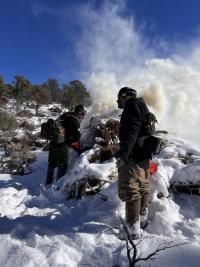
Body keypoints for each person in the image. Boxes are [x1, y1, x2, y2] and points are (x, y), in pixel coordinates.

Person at [117, 87, 151, 239]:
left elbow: (132, 131)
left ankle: (132, 229)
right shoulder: (143, 106)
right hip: (144, 157)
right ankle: (142, 220)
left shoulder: (132, 105)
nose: (120, 101)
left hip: (133, 156)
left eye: (120, 98)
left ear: (124, 97)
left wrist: (123, 154)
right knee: (142, 187)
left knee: (130, 190)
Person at [45, 104, 86, 186]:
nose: (84, 116)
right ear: (80, 113)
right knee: (63, 164)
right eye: (83, 114)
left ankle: (48, 182)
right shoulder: (75, 121)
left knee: (52, 163)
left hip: (53, 142)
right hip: (63, 145)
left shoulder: (65, 115)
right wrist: (79, 149)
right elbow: (75, 138)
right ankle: (58, 185)